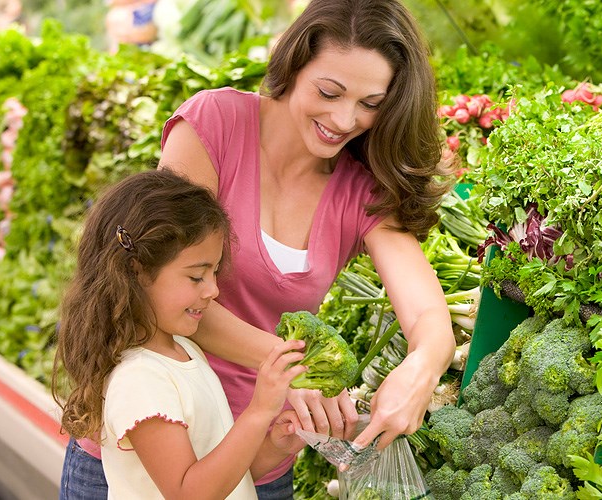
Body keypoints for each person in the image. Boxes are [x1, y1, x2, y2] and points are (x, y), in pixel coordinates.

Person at [159, 0, 457, 497]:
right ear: (293, 63)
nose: (344, 119)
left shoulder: (362, 189)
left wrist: (421, 369)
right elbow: (166, 290)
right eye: (330, 91)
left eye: (370, 104)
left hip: (258, 460)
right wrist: (295, 368)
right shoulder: (214, 124)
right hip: (154, 434)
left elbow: (428, 315)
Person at [52, 169, 308, 499]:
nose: (213, 290)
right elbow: (190, 493)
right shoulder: (140, 381)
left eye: (214, 273)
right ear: (138, 271)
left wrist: (273, 446)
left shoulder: (183, 351)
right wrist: (259, 412)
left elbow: (223, 478)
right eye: (196, 277)